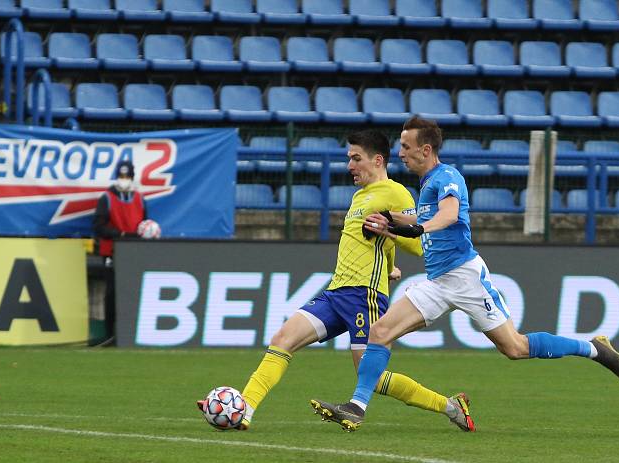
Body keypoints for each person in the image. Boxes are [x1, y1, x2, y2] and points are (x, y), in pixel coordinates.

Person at [310, 116, 619, 431]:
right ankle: (357, 407)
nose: (401, 153)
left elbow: (448, 215)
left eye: (406, 146)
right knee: (380, 332)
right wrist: (387, 219)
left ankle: (593, 348)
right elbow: (418, 218)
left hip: (466, 277)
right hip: (437, 282)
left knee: (515, 348)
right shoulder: (425, 186)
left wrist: (419, 227)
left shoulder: (448, 176)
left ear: (426, 150)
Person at [198, 129, 475, 433]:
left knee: (372, 376)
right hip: (336, 292)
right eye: (349, 159)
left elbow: (417, 243)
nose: (350, 166)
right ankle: (243, 409)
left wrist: (389, 249)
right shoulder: (361, 196)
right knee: (282, 340)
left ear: (378, 160)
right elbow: (379, 242)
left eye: (356, 158)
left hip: (363, 295)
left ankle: (450, 406)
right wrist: (391, 266)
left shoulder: (396, 193)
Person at [93, 160, 148, 344]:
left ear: (132, 177)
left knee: (133, 293)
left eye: (127, 176)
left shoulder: (140, 199)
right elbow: (98, 227)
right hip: (112, 251)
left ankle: (131, 333)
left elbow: (143, 224)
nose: (124, 179)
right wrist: (120, 234)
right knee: (111, 293)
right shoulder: (106, 198)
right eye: (121, 176)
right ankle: (110, 334)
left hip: (134, 252)